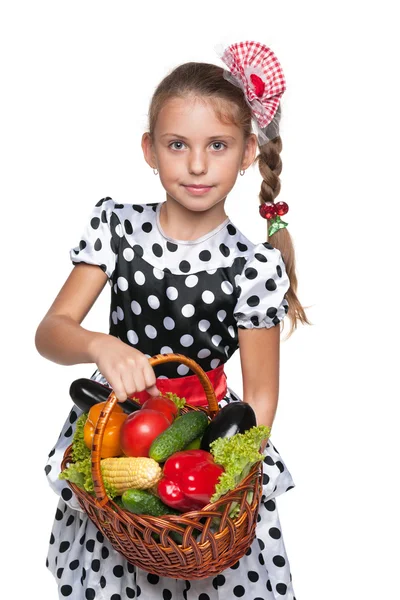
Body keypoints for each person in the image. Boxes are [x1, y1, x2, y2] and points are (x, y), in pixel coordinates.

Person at [36, 40, 311, 600]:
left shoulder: (254, 265)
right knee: (119, 572)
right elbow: (50, 332)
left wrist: (221, 478)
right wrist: (96, 345)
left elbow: (260, 396)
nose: (197, 164)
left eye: (218, 145)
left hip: (203, 438)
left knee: (203, 571)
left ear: (248, 152)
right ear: (149, 150)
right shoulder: (117, 226)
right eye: (177, 144)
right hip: (115, 432)